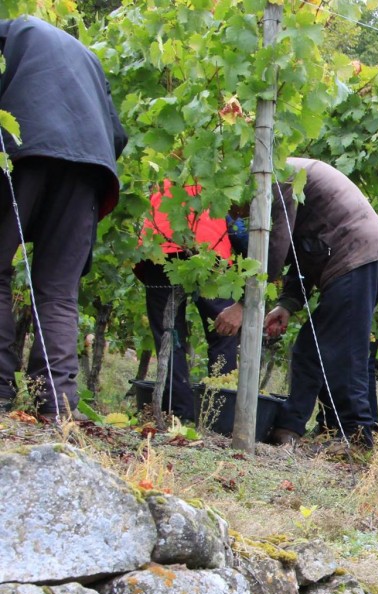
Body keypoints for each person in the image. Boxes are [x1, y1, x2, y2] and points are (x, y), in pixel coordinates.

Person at [214, 157, 378, 449]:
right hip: (366, 258)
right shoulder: (285, 178)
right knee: (323, 348)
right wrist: (287, 304)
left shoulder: (277, 178)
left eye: (233, 206)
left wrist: (243, 304)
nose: (236, 213)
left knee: (328, 350)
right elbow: (302, 249)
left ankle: (354, 436)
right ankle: (307, 428)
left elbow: (276, 244)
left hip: (357, 258)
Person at [0, 15, 126, 418]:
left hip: (24, 150)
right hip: (90, 167)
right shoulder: (86, 57)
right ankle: (56, 405)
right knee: (57, 289)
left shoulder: (6, 35)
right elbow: (118, 134)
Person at [135, 181, 239, 422]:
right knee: (224, 330)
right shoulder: (220, 176)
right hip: (210, 249)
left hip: (158, 248)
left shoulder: (164, 174)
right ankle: (220, 416)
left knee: (168, 333)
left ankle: (178, 413)